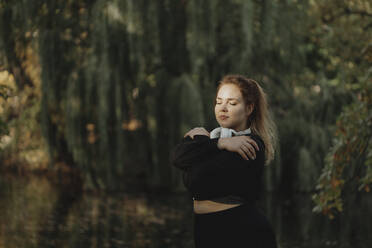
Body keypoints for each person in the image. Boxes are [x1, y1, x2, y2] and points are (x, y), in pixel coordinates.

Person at [170, 75, 278, 248]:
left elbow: (195, 180)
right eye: (219, 102)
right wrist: (220, 142)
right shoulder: (213, 140)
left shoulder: (251, 144)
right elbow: (177, 157)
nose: (223, 108)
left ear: (249, 108)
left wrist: (199, 142)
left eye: (232, 103)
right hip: (206, 228)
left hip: (241, 232)